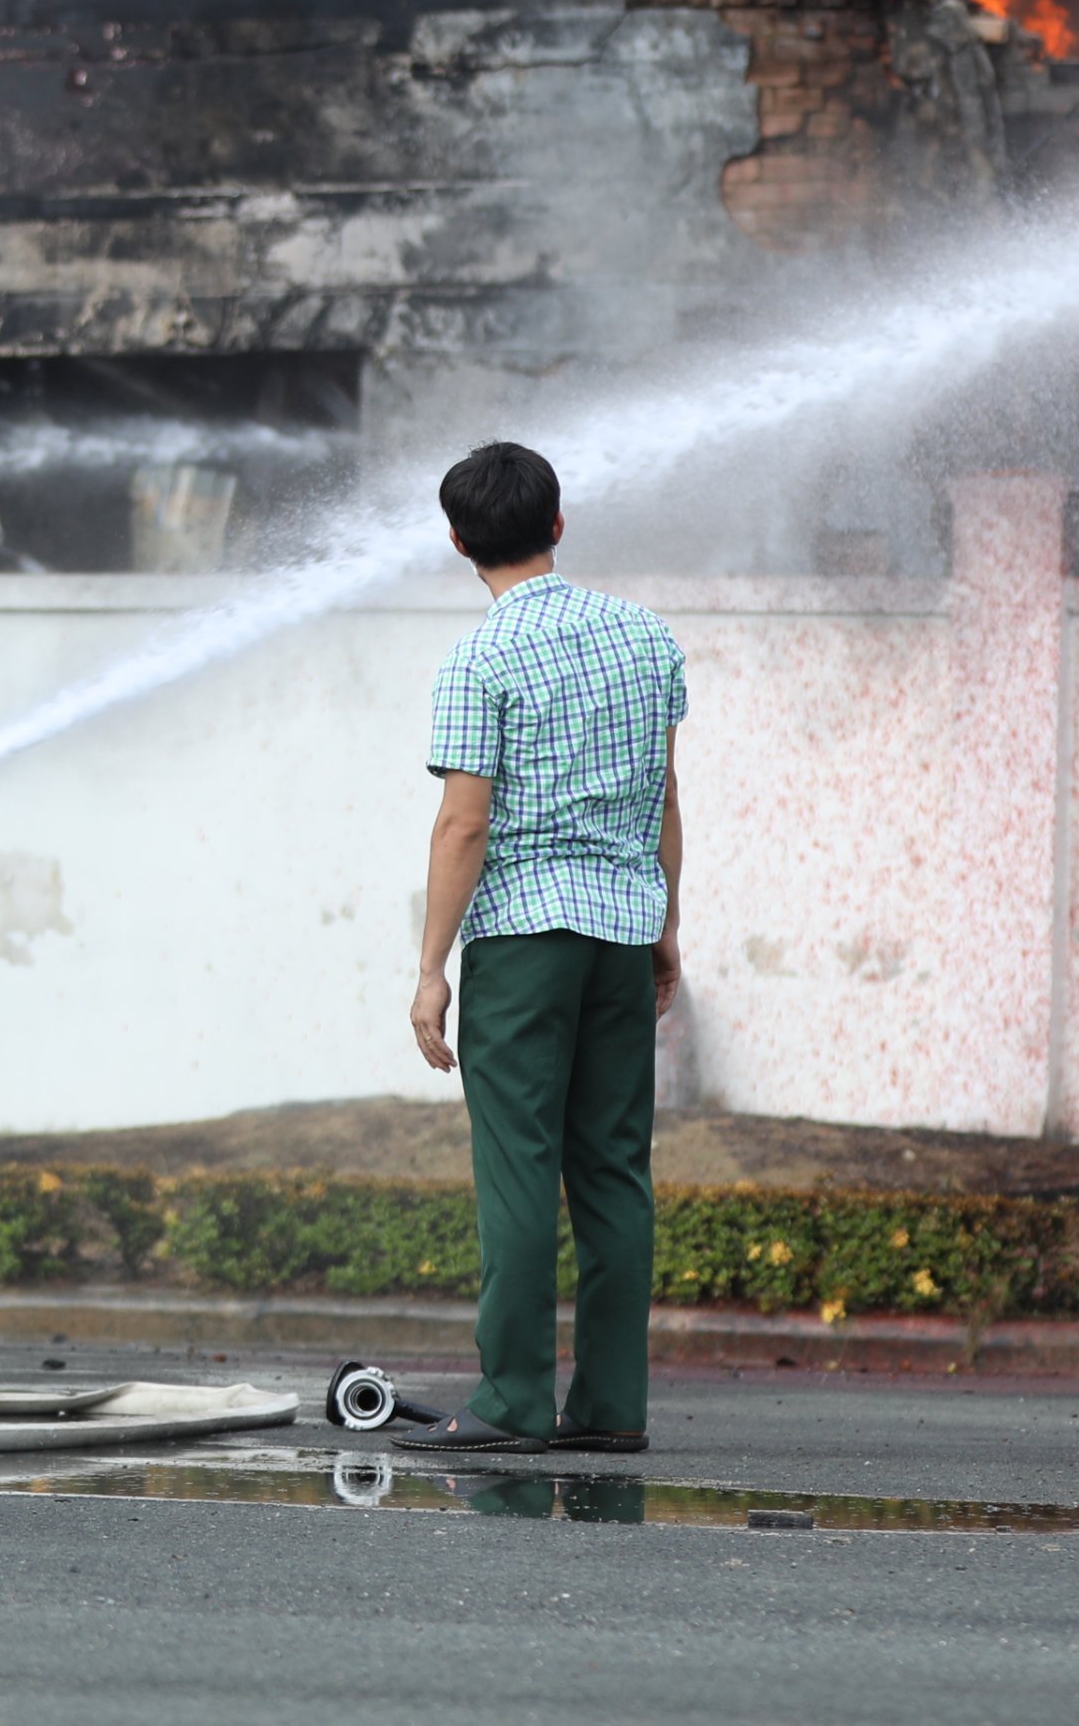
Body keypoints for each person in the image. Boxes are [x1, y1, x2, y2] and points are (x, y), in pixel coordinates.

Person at [396, 441, 686, 1457]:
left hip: (522, 940)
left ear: (458, 540)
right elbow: (665, 798)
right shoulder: (647, 639)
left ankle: (515, 1402)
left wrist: (432, 969)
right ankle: (610, 1407)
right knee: (613, 1168)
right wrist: (665, 931)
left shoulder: (481, 655)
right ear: (558, 524)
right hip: (618, 932)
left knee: (519, 1166)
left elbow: (464, 825)